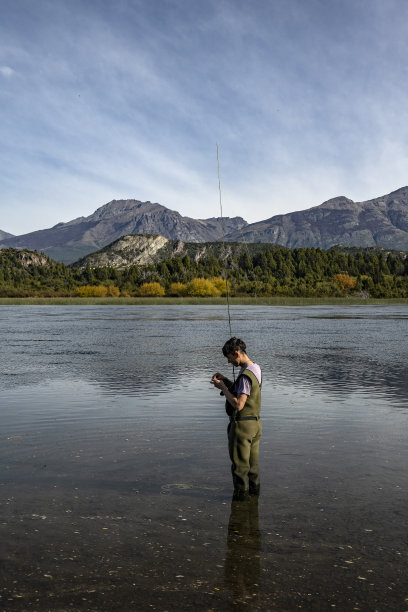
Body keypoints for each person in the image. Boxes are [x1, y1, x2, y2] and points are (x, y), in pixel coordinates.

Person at [211, 337, 262, 500]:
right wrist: (226, 380)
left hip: (242, 427)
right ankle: (254, 503)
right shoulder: (255, 368)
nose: (229, 362)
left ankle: (240, 504)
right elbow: (244, 391)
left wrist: (223, 387)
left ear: (236, 353)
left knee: (240, 469)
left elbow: (239, 404)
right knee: (252, 469)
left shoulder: (246, 375)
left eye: (229, 358)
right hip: (255, 425)